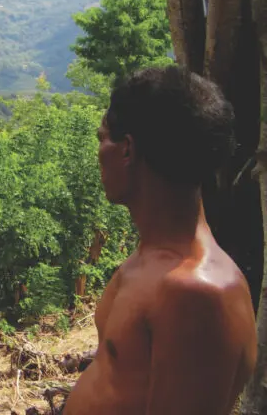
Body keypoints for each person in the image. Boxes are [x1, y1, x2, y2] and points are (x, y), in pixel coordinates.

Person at [65, 66, 257, 415]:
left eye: (102, 137)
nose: (98, 151)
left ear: (127, 150)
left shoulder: (195, 294)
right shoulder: (153, 259)